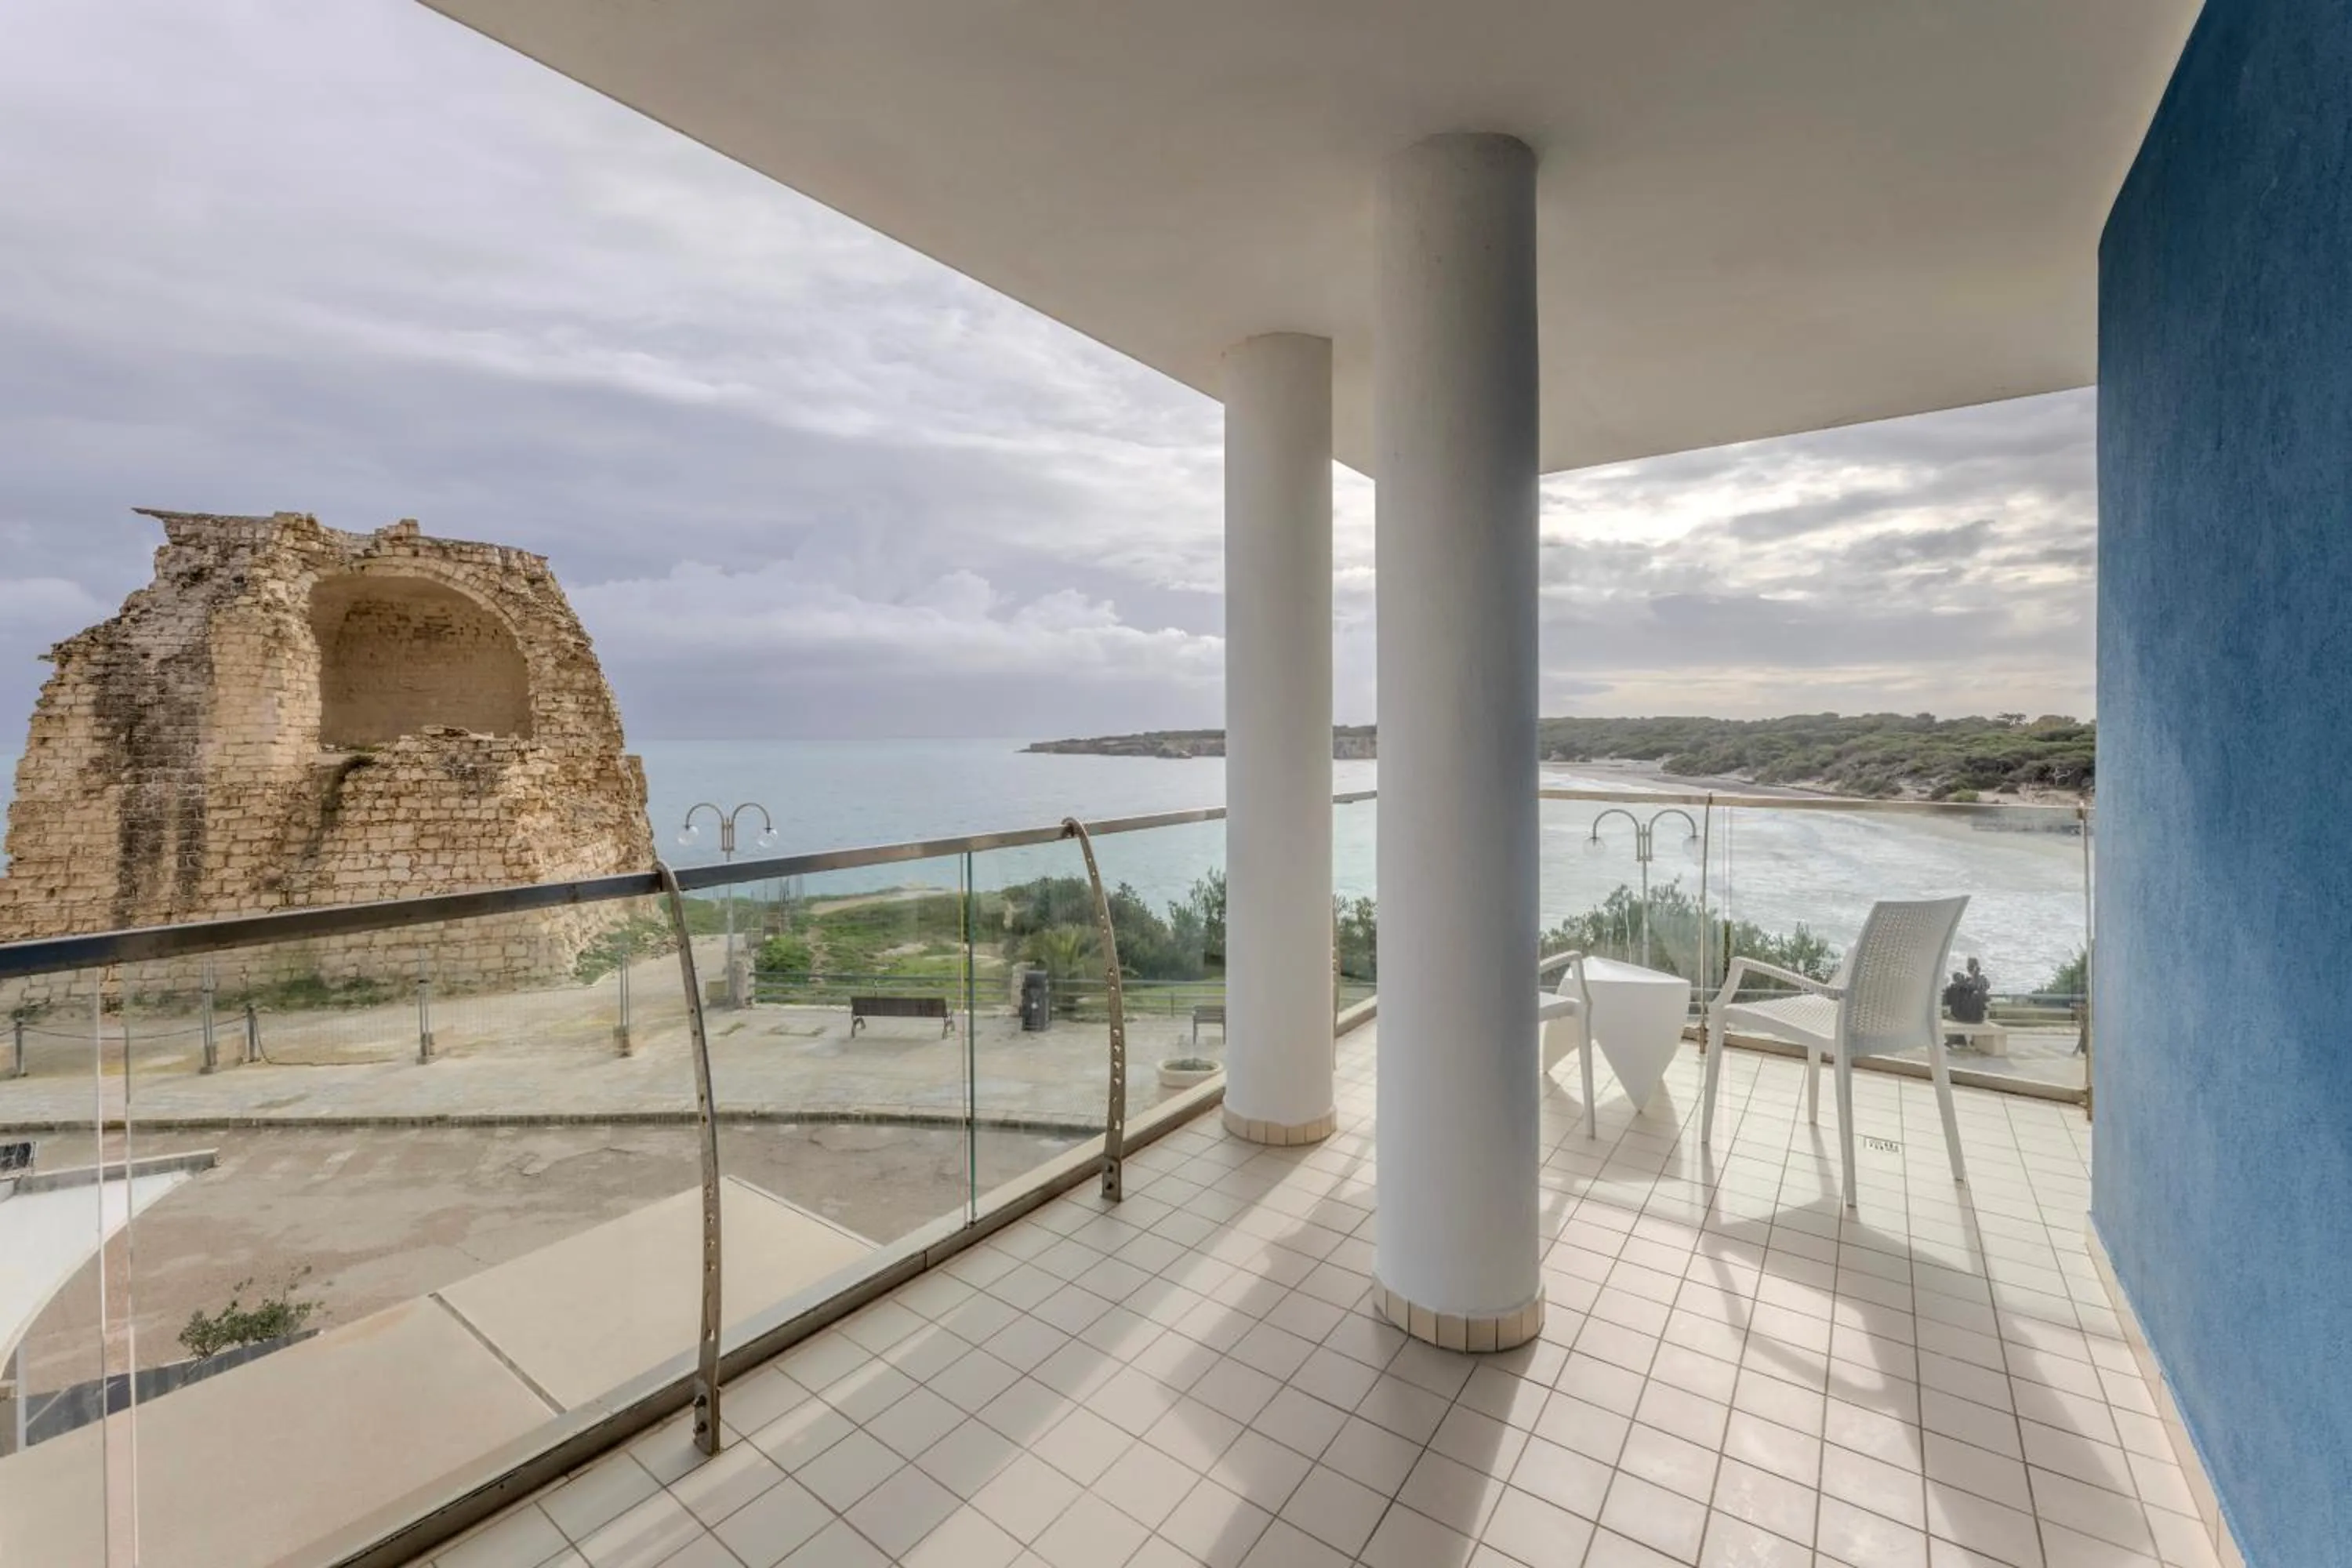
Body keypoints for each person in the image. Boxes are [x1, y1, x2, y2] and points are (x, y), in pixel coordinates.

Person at [1943, 956, 1991, 1046]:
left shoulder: (1978, 981)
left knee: (1953, 1016)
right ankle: (1959, 1039)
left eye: (1970, 966)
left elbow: (1981, 988)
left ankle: (1957, 1039)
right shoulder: (1973, 981)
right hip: (1976, 1016)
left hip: (1972, 1016)